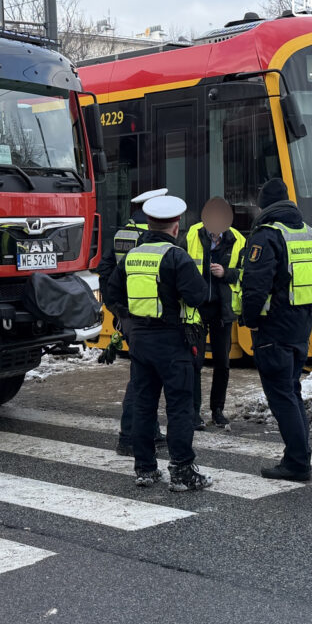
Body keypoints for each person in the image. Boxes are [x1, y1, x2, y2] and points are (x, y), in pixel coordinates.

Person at [108, 194, 213, 491]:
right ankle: (181, 471)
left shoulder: (133, 255)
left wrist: (127, 321)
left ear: (148, 223)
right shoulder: (176, 256)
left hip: (140, 340)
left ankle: (145, 469)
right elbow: (198, 296)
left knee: (143, 404)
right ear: (176, 226)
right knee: (179, 406)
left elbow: (112, 294)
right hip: (172, 340)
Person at [240, 179, 312, 481]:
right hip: (300, 327)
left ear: (264, 206)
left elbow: (255, 286)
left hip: (272, 329)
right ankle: (299, 456)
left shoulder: (267, 235)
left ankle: (298, 462)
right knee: (291, 391)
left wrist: (249, 319)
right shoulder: (311, 234)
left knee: (281, 396)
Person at [98, 188, 169, 456]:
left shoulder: (121, 235)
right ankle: (129, 436)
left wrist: (119, 311)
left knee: (145, 376)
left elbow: (106, 273)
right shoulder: (154, 236)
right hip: (149, 316)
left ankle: (148, 431)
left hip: (129, 315)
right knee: (142, 380)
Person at [184, 197, 246, 429]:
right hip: (198, 309)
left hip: (223, 309)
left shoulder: (239, 239)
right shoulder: (191, 235)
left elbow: (245, 272)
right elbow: (180, 266)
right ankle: (194, 412)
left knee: (222, 362)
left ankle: (217, 410)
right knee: (195, 362)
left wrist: (226, 273)